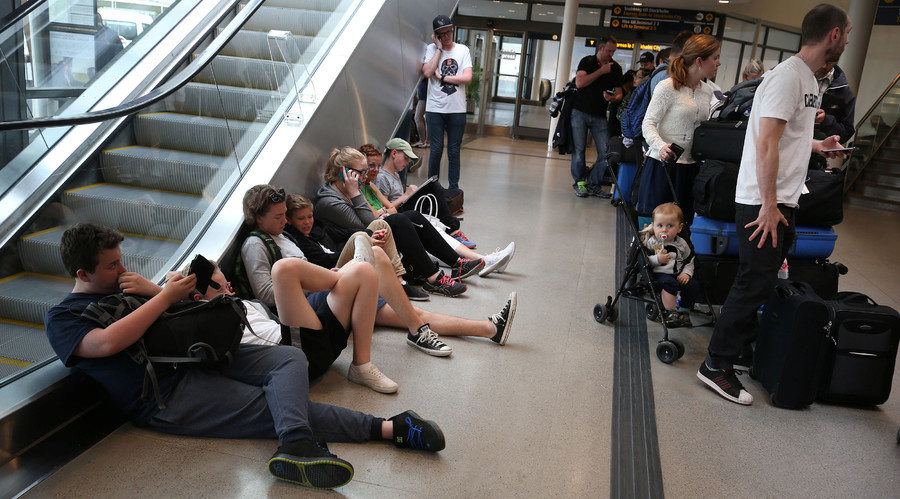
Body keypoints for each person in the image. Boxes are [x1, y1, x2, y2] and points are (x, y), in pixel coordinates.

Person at [44, 223, 446, 491]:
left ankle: (296, 442)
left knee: (290, 359)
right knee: (272, 406)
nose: (121, 269)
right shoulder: (62, 317)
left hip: (202, 356)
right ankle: (389, 429)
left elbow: (180, 319)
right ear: (81, 274)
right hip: (167, 393)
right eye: (111, 265)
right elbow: (105, 344)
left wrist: (153, 293)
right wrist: (162, 296)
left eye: (120, 260)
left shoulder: (128, 288)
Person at [698, 4, 852, 406]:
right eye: (847, 33)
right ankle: (716, 364)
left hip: (784, 198)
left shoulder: (809, 79)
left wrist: (818, 145)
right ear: (833, 35)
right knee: (754, 281)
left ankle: (736, 352)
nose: (849, 40)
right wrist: (768, 205)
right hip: (764, 201)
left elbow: (785, 137)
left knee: (765, 280)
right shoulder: (788, 77)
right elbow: (765, 142)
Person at [239, 184, 399, 393]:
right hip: (296, 316)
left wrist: (319, 278)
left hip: (315, 303)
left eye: (285, 215)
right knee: (288, 269)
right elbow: (266, 294)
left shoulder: (283, 235)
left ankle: (362, 365)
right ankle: (344, 274)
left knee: (364, 272)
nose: (285, 220)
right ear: (259, 218)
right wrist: (309, 284)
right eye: (278, 216)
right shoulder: (255, 244)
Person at [314, 147, 480, 296]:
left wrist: (359, 196)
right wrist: (356, 193)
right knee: (399, 220)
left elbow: (371, 220)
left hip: (366, 237)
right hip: (349, 249)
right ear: (345, 173)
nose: (366, 177)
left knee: (413, 216)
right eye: (362, 172)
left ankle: (457, 264)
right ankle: (434, 278)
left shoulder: (349, 189)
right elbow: (366, 225)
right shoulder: (330, 201)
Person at [359, 143, 516, 276]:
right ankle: (481, 260)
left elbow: (390, 208)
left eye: (376, 166)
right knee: (425, 228)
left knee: (431, 232)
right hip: (386, 228)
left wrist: (387, 211)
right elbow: (376, 215)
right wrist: (393, 206)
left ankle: (481, 260)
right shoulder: (367, 187)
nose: (374, 170)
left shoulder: (371, 185)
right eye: (369, 167)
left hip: (392, 221)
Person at [635, 34, 721, 226]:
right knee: (656, 227)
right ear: (699, 61)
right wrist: (661, 146)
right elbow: (648, 123)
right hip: (663, 165)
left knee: (683, 225)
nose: (719, 62)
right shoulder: (667, 87)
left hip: (691, 168)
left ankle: (678, 257)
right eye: (715, 57)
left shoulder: (707, 91)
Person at [421, 14, 472, 191]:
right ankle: (431, 188)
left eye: (449, 31)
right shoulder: (431, 49)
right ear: (437, 35)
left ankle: (453, 189)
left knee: (453, 150)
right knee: (435, 150)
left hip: (456, 109)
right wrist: (439, 49)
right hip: (435, 107)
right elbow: (427, 72)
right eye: (443, 34)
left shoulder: (463, 50)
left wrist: (442, 77)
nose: (448, 36)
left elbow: (467, 77)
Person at [570, 35, 623, 198]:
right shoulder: (588, 62)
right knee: (579, 150)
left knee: (605, 151)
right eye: (608, 51)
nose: (611, 54)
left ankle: (594, 183)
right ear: (600, 48)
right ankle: (580, 182)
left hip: (600, 115)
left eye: (613, 51)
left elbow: (619, 94)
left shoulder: (616, 68)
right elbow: (579, 83)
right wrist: (601, 71)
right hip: (579, 112)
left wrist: (612, 98)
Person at [641, 203, 699, 328]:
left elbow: (689, 259)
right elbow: (644, 260)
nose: (664, 230)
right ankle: (671, 312)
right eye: (660, 225)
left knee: (692, 285)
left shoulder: (682, 243)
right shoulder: (652, 242)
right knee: (670, 283)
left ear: (679, 228)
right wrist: (657, 259)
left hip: (677, 273)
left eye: (670, 226)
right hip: (659, 273)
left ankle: (684, 312)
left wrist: (686, 273)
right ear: (653, 226)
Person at [411, 79, 430, 149]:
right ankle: (427, 141)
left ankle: (423, 141)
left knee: (418, 118)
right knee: (427, 118)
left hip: (423, 96)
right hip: (428, 96)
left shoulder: (423, 70)